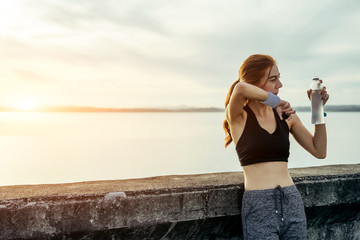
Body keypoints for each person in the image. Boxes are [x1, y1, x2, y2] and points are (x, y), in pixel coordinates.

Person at [223, 54, 329, 240]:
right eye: (273, 79)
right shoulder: (239, 117)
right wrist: (275, 101)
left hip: (292, 201)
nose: (280, 84)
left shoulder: (286, 117)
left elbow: (319, 151)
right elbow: (240, 88)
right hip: (258, 205)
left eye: (279, 78)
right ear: (253, 83)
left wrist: (317, 110)